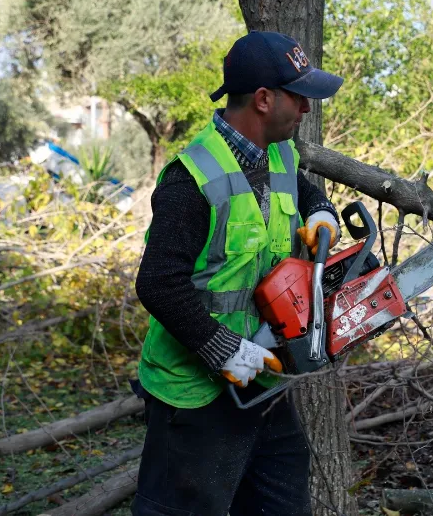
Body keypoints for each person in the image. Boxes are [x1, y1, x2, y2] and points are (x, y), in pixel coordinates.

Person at [131, 30, 343, 516]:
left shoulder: (280, 151)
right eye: (299, 97)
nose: (307, 110)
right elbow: (158, 283)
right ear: (265, 99)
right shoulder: (192, 179)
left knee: (283, 504)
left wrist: (320, 211)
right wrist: (222, 347)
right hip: (194, 392)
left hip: (263, 380)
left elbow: (299, 188)